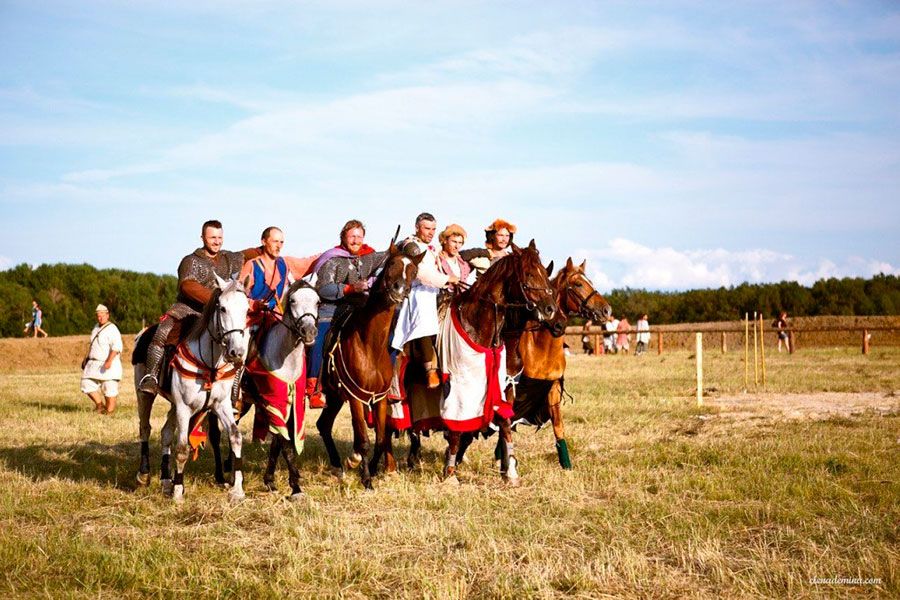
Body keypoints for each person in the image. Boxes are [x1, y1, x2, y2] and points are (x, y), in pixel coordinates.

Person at [138, 220, 248, 394]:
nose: (217, 241)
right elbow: (187, 286)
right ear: (203, 237)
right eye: (212, 237)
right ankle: (151, 377)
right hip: (188, 309)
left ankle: (234, 391)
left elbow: (247, 254)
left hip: (218, 311)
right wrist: (215, 299)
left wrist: (266, 247)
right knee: (163, 331)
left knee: (238, 338)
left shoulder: (229, 258)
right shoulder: (190, 261)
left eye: (219, 237)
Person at [308, 220, 387, 408]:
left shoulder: (368, 257)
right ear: (343, 237)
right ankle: (314, 388)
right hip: (332, 310)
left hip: (359, 309)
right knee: (318, 341)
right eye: (352, 236)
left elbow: (389, 257)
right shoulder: (333, 258)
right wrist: (350, 288)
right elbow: (323, 288)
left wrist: (406, 243)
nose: (356, 240)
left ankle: (386, 384)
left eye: (359, 236)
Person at [392, 212, 458, 388]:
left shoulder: (432, 247)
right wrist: (447, 279)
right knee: (425, 320)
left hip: (436, 290)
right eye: (427, 228)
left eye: (434, 229)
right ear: (417, 228)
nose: (431, 233)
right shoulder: (411, 246)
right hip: (416, 292)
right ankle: (430, 369)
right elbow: (421, 273)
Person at [238, 226, 319, 315]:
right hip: (253, 321)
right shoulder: (252, 265)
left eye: (281, 242)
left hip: (274, 319)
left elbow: (307, 263)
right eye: (275, 241)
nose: (279, 246)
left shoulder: (284, 263)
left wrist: (330, 254)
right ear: (264, 241)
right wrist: (256, 304)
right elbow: (238, 297)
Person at [81, 304, 123, 414]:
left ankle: (109, 413)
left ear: (107, 315)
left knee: (109, 389)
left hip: (108, 364)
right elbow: (93, 344)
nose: (100, 318)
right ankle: (100, 405)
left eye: (102, 316)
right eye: (98, 316)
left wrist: (109, 361)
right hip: (93, 364)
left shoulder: (112, 329)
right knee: (86, 384)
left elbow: (116, 347)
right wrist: (87, 358)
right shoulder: (95, 327)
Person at [437, 223, 475, 295]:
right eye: (454, 241)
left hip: (461, 302)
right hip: (441, 300)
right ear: (445, 240)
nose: (457, 246)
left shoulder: (464, 262)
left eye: (460, 242)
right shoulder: (436, 259)